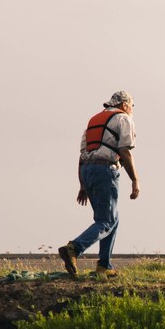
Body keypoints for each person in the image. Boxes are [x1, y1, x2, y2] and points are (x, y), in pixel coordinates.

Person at [57, 90, 141, 277]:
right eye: (132, 106)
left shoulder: (93, 121)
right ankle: (74, 248)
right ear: (125, 104)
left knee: (112, 219)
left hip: (87, 171)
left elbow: (82, 156)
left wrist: (82, 186)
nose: (132, 110)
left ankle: (105, 266)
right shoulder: (124, 119)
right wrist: (135, 180)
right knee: (106, 220)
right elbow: (125, 151)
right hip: (105, 171)